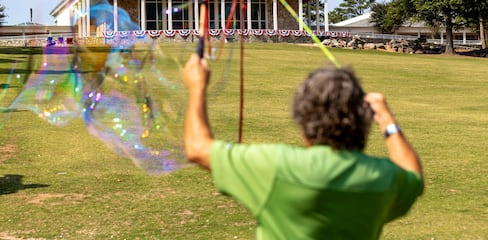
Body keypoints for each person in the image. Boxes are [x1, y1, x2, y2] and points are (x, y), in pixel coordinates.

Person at [182, 53, 424, 240]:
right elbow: (413, 176)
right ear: (363, 117)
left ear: (302, 117)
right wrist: (387, 120)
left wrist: (197, 87)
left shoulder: (278, 166)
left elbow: (197, 148)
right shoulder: (381, 177)